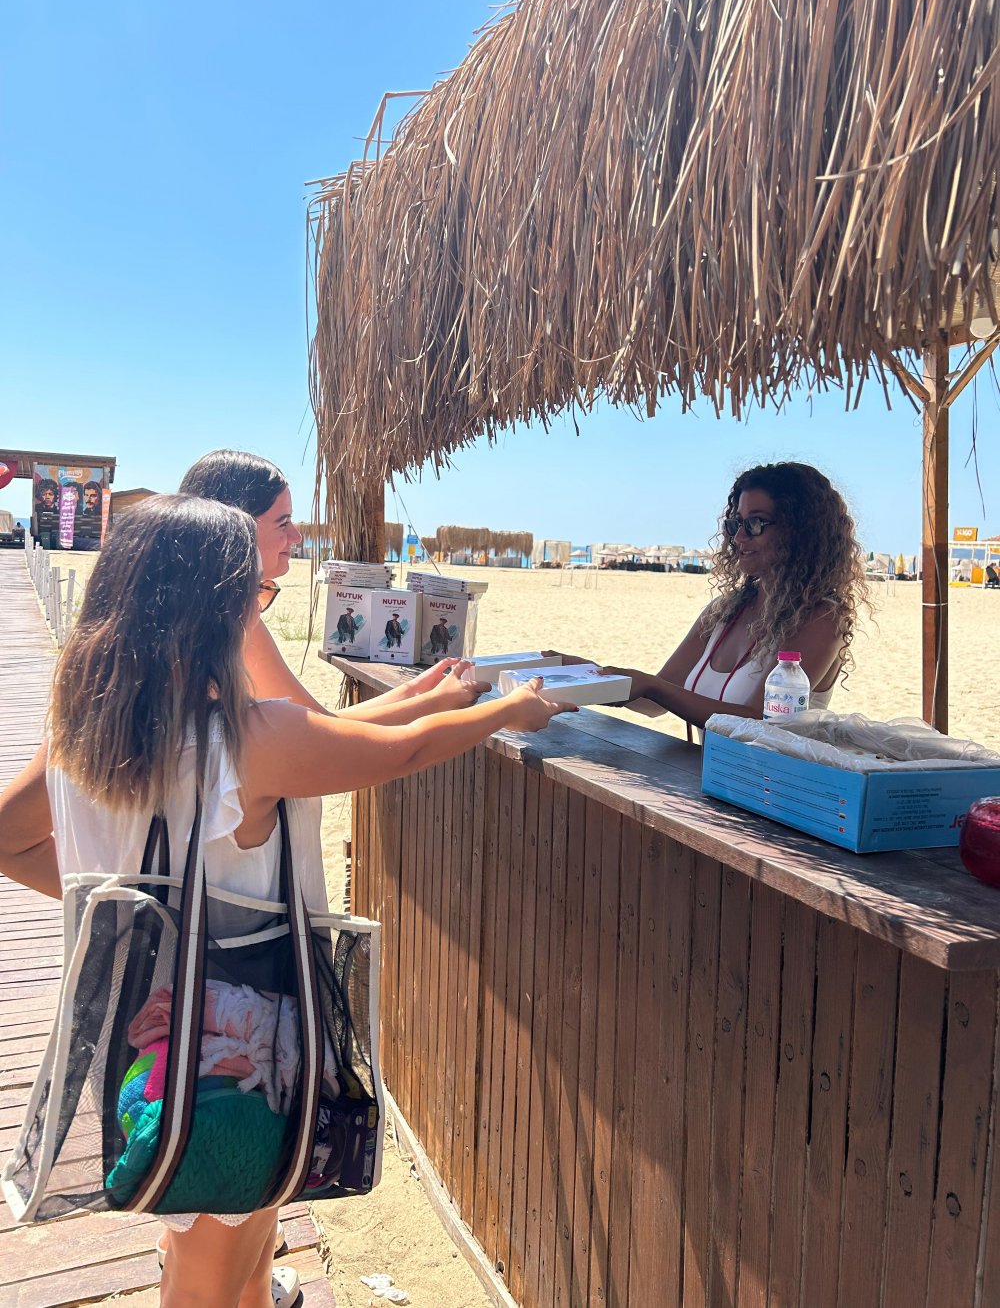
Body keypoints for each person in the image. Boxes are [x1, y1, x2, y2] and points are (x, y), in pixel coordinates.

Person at [0, 495, 574, 1308]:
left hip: (145, 1030)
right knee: (211, 1266)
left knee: (239, 1234)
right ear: (215, 611)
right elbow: (395, 752)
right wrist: (510, 710)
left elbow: (7, 837)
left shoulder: (84, 731)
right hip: (234, 1046)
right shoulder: (247, 740)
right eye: (253, 597)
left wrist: (129, 917)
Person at [550, 462, 868, 728]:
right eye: (735, 523)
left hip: (768, 784)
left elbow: (759, 722)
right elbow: (651, 703)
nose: (738, 537)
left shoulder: (821, 618)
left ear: (800, 531)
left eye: (756, 524)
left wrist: (652, 685)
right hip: (707, 779)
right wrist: (589, 674)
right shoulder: (726, 611)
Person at [179, 449, 488, 723]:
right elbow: (316, 733)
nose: (297, 536)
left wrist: (415, 691)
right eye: (283, 522)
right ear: (234, 527)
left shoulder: (194, 616)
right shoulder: (234, 623)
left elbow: (317, 719)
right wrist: (437, 702)